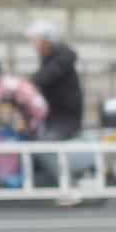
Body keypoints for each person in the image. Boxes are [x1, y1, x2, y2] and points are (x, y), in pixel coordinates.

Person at [28, 20, 83, 192]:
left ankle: (69, 186)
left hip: (64, 121)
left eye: (36, 40)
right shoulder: (51, 59)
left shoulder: (61, 59)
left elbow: (44, 77)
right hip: (52, 119)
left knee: (43, 147)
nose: (34, 45)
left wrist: (22, 84)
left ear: (47, 41)